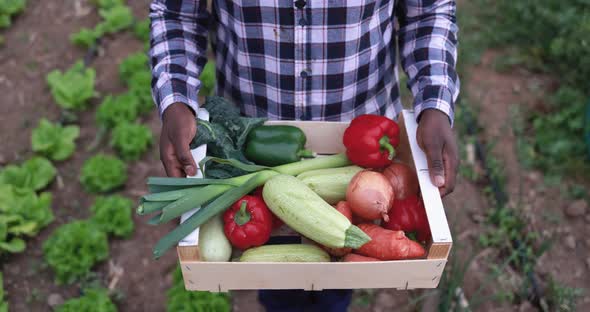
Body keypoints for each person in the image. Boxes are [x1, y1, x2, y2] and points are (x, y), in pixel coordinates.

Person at [150, 0, 459, 310]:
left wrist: (435, 102)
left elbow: (428, 11)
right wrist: (176, 99)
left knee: (337, 281)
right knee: (278, 283)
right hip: (248, 139)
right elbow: (175, 13)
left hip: (366, 145)